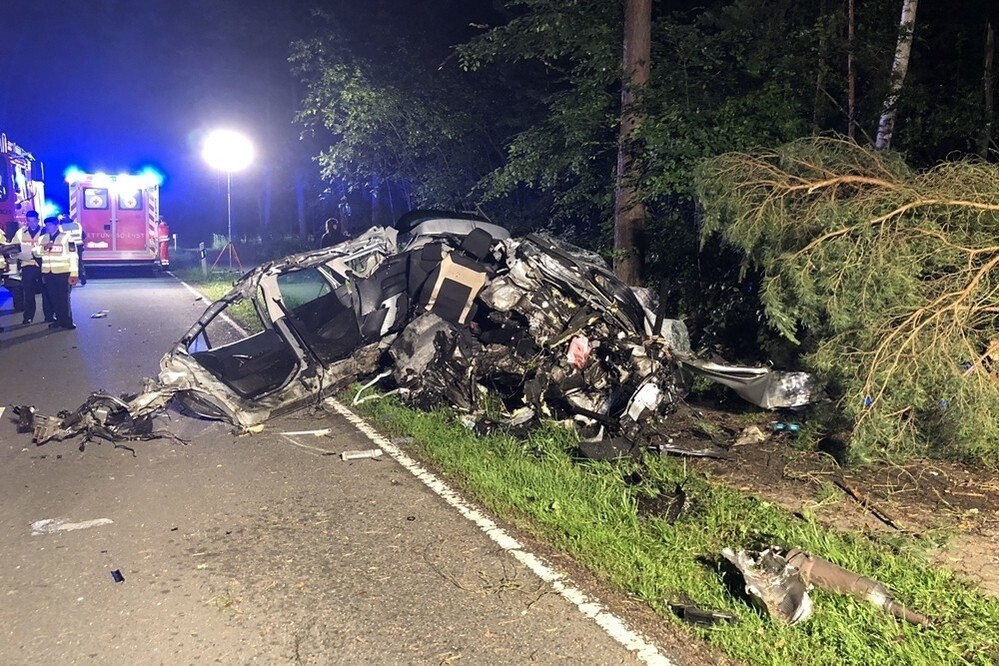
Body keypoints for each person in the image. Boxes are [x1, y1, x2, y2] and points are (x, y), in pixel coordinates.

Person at [35, 216, 78, 330]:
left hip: (63, 272)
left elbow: (73, 255)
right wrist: (44, 248)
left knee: (63, 298)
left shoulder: (67, 237)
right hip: (48, 273)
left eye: (49, 225)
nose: (47, 227)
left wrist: (74, 273)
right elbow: (36, 252)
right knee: (53, 298)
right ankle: (58, 320)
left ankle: (67, 321)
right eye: (46, 225)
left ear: (57, 225)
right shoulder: (42, 238)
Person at [12, 210, 54, 325]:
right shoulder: (20, 233)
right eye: (29, 221)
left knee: (46, 292)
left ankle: (49, 316)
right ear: (27, 221)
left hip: (42, 265)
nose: (32, 224)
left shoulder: (45, 231)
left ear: (38, 220)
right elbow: (14, 247)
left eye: (34, 221)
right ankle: (28, 317)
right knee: (28, 293)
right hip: (27, 266)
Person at [58, 213, 86, 285]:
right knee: (79, 261)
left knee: (71, 262)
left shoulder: (61, 227)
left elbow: (60, 238)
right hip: (79, 245)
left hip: (70, 246)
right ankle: (82, 276)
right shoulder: (77, 225)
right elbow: (84, 236)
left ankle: (72, 279)